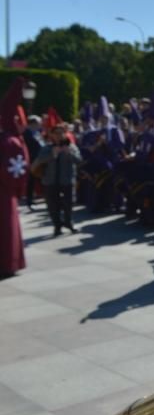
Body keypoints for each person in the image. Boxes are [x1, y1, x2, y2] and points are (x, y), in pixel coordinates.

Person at [0, 79, 29, 278]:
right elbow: (17, 170)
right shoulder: (11, 141)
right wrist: (18, 189)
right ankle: (8, 262)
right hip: (5, 192)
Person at [31, 124, 83, 236]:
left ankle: (68, 222)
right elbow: (40, 160)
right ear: (52, 135)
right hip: (50, 181)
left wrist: (68, 153)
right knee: (52, 205)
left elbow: (79, 161)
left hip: (67, 180)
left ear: (65, 134)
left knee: (68, 204)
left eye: (61, 133)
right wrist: (52, 154)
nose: (59, 136)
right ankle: (57, 226)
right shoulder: (47, 148)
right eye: (56, 133)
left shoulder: (72, 147)